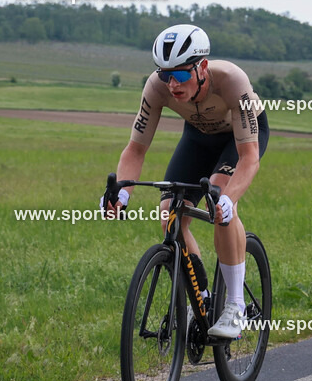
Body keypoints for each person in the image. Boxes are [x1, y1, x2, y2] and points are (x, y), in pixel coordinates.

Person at [103, 24, 268, 338]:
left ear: (202, 67)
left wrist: (229, 201)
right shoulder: (157, 86)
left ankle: (235, 304)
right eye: (165, 75)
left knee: (218, 200)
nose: (172, 84)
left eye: (180, 75)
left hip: (239, 138)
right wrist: (122, 192)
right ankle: (201, 297)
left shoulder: (232, 81)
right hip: (199, 136)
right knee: (169, 213)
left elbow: (249, 157)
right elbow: (136, 148)